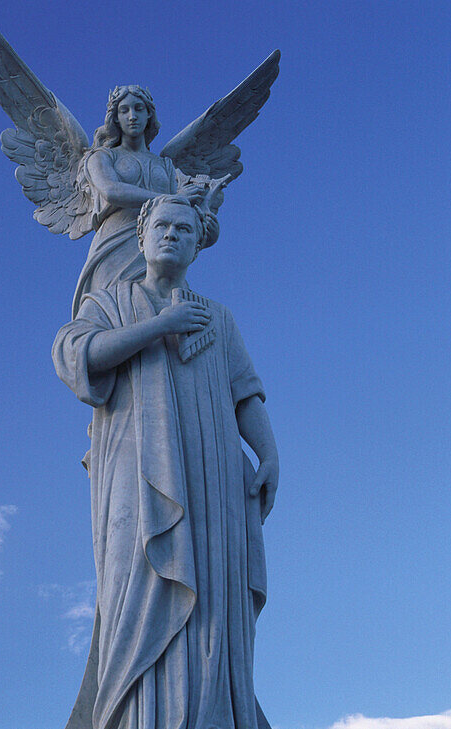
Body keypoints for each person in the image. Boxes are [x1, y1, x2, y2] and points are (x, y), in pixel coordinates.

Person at [52, 195, 279, 729]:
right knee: (139, 585)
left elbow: (245, 394)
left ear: (198, 243)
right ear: (142, 236)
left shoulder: (219, 318)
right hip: (137, 464)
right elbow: (75, 356)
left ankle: (212, 714)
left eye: (184, 228)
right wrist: (162, 325)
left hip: (215, 471)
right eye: (162, 225)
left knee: (213, 595)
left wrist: (268, 453)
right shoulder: (108, 302)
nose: (172, 234)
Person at [71, 87, 219, 317]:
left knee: (163, 314)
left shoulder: (166, 167)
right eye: (124, 110)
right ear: (115, 118)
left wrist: (207, 221)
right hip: (115, 246)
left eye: (139, 109)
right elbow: (112, 191)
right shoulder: (100, 156)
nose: (132, 116)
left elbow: (186, 215)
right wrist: (170, 199)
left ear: (149, 114)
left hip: (160, 245)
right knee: (111, 314)